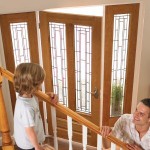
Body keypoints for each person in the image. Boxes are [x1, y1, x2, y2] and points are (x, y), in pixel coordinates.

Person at [13, 63, 58, 150]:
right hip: (27, 145)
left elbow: (36, 100)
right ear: (33, 85)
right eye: (40, 83)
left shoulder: (28, 96)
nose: (41, 85)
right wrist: (37, 147)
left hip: (30, 142)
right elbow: (30, 131)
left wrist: (49, 95)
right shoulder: (26, 108)